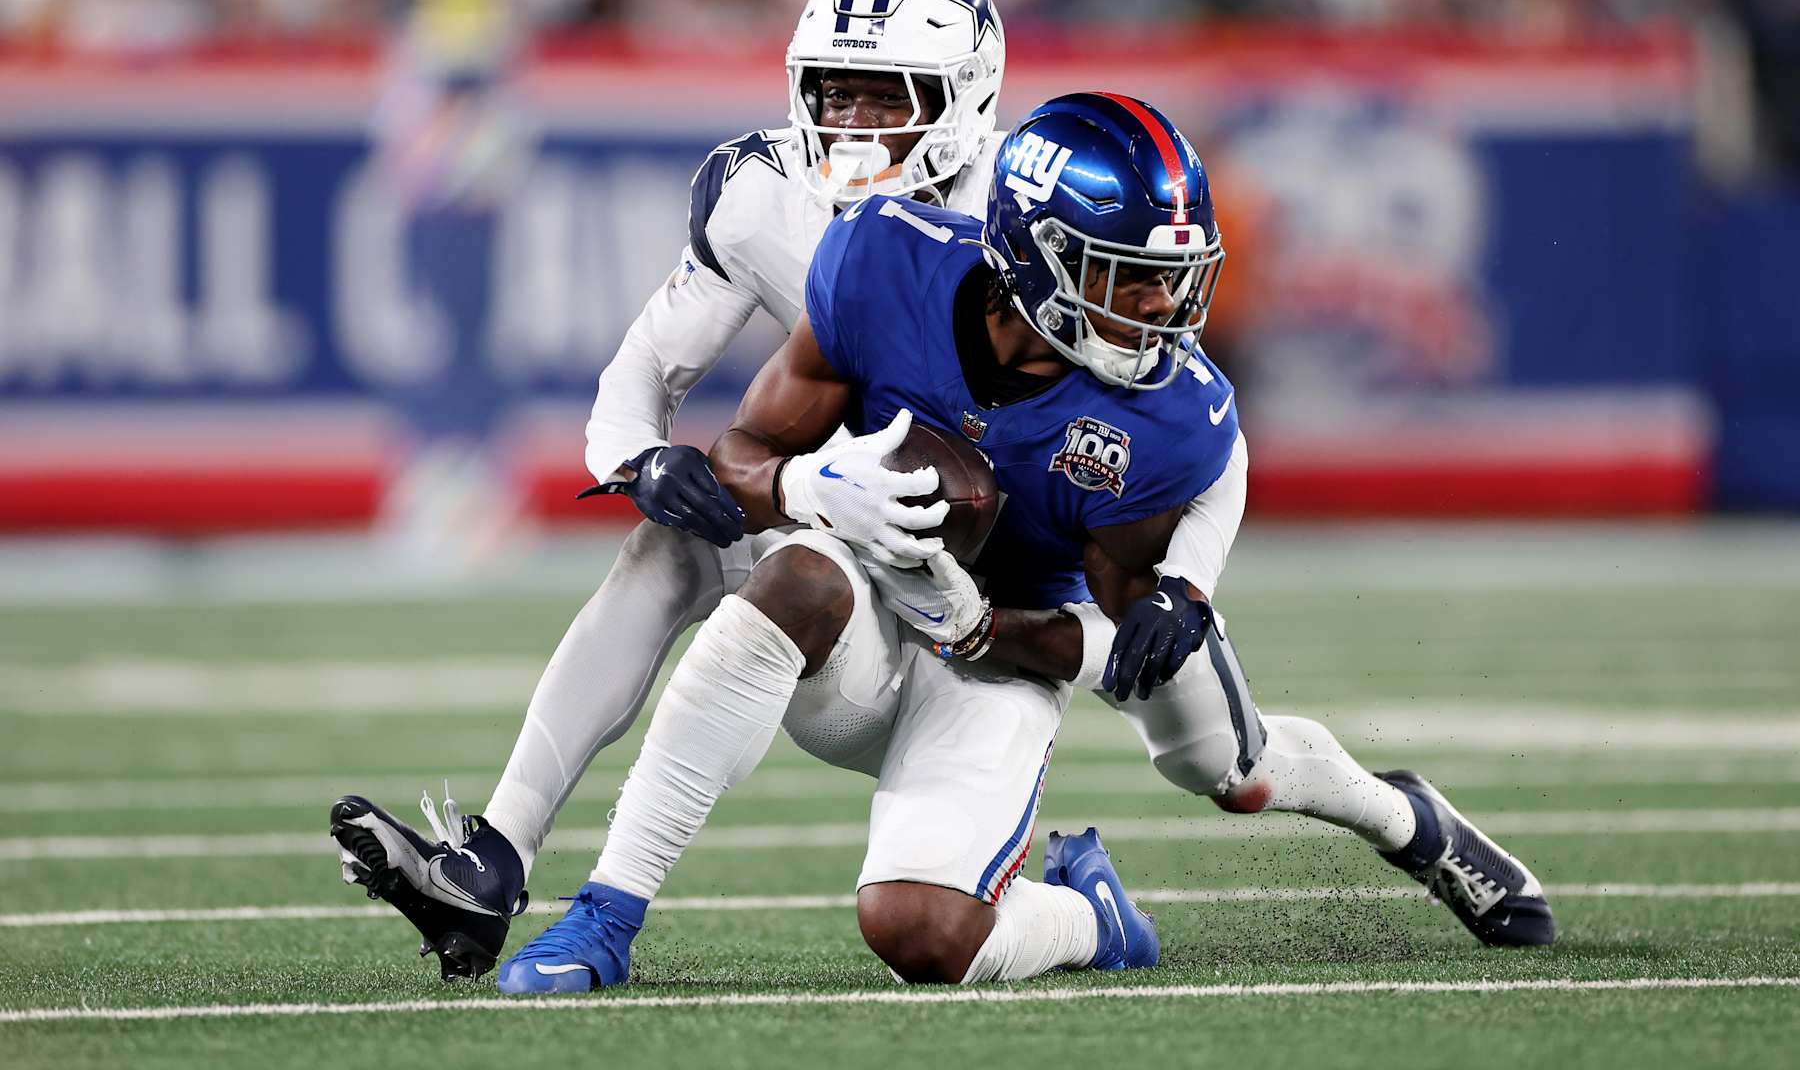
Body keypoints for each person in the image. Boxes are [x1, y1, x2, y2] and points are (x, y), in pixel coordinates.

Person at [489, 93, 1555, 993]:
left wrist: (1147, 596)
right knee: (796, 576)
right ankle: (605, 918)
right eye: (1126, 273)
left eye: (1171, 276)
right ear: (1035, 257)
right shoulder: (883, 262)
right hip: (870, 612)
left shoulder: (1166, 415)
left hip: (1017, 648)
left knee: (1221, 772)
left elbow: (1107, 633)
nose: (1162, 307)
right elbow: (745, 449)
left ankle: (1377, 830)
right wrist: (812, 485)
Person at [329, 0, 1009, 980]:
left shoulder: (1029, 215)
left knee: (969, 904)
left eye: (887, 98)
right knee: (668, 545)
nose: (853, 125)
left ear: (964, 98)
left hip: (982, 615)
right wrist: (641, 461)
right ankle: (492, 862)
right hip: (833, 562)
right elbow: (642, 368)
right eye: (836, 93)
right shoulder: (761, 191)